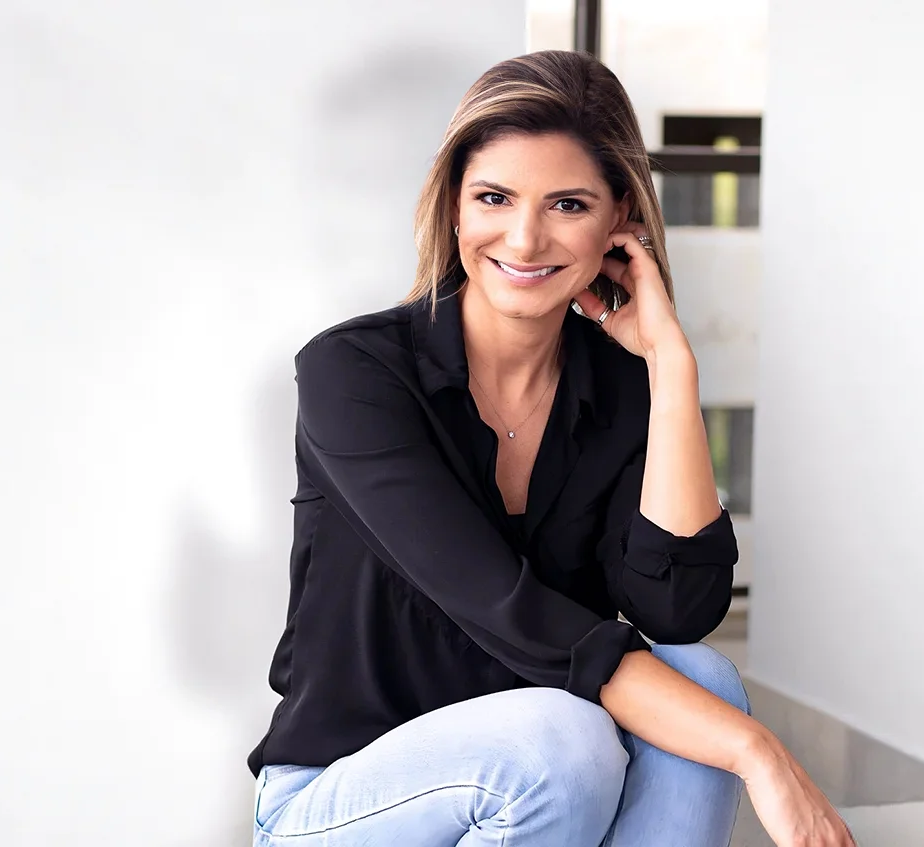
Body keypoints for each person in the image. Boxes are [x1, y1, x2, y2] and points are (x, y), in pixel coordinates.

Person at [247, 51, 855, 846]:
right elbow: (505, 607)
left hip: (538, 798)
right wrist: (757, 751)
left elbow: (678, 608)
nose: (525, 238)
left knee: (699, 677)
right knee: (562, 742)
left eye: (568, 204)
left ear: (619, 220)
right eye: (494, 197)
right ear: (454, 206)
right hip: (344, 802)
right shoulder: (355, 375)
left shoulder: (619, 386)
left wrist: (670, 368)